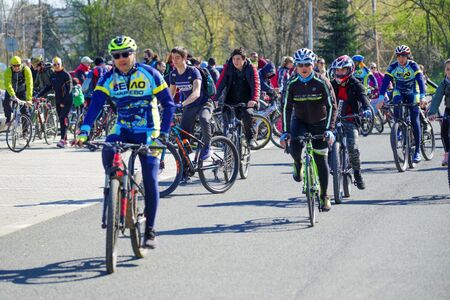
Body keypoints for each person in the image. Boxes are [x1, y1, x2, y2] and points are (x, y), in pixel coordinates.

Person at [76, 35, 175, 248]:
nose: (121, 58)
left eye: (125, 54)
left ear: (134, 54)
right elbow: (95, 105)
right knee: (107, 153)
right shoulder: (107, 78)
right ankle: (117, 188)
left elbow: (169, 105)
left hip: (149, 131)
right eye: (116, 55)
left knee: (150, 177)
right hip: (122, 128)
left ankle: (150, 230)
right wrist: (84, 130)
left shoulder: (150, 74)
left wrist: (164, 134)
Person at [280, 48, 337, 211]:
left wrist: (330, 129)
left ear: (312, 65)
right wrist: (285, 131)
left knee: (321, 160)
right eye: (300, 65)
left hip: (320, 122)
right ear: (295, 66)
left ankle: (324, 196)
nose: (303, 68)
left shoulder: (322, 82)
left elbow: (332, 106)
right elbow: (286, 108)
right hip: (300, 121)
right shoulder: (291, 83)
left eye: (307, 64)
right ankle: (298, 164)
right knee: (295, 148)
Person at [376, 45, 427, 163]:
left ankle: (418, 151)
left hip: (413, 91)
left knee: (414, 120)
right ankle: (398, 129)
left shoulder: (413, 65)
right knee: (396, 105)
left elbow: (420, 80)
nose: (401, 58)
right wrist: (381, 98)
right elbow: (385, 83)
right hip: (399, 90)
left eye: (403, 56)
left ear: (407, 56)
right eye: (399, 56)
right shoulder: (393, 66)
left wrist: (423, 97)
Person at [329, 55, 372, 189]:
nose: (340, 73)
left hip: (351, 119)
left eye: (343, 70)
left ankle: (357, 174)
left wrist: (366, 109)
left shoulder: (356, 83)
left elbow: (364, 98)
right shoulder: (331, 84)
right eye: (338, 70)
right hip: (333, 120)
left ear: (350, 70)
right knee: (326, 145)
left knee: (352, 147)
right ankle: (334, 165)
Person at [168, 47, 213, 167]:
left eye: (177, 57)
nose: (175, 60)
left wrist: (181, 104)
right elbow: (170, 94)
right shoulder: (173, 74)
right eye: (173, 58)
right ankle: (185, 168)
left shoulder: (193, 71)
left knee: (204, 119)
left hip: (204, 103)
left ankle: (208, 146)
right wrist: (162, 105)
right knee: (182, 136)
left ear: (184, 58)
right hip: (190, 106)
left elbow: (196, 93)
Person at [216, 47, 260, 149]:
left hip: (246, 100)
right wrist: (214, 98)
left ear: (244, 59)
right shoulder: (228, 67)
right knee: (227, 123)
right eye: (234, 59)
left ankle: (250, 139)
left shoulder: (251, 68)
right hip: (230, 100)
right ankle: (227, 148)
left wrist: (254, 99)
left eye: (238, 59)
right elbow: (220, 83)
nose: (236, 61)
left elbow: (256, 84)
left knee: (247, 115)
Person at [38, 57, 73, 148]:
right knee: (61, 120)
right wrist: (38, 95)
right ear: (52, 66)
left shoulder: (66, 75)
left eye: (58, 64)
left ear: (61, 64)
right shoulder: (53, 75)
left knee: (62, 117)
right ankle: (65, 140)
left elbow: (69, 90)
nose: (57, 66)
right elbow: (48, 87)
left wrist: (64, 102)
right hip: (58, 100)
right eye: (55, 64)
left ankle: (62, 140)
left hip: (67, 100)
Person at [427, 59, 450, 166]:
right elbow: (437, 98)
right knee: (444, 130)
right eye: (448, 69)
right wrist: (432, 112)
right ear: (445, 70)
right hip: (449, 109)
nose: (449, 71)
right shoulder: (444, 83)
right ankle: (447, 154)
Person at [3, 56, 33, 127]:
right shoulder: (8, 71)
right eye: (14, 66)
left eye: (18, 65)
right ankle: (8, 118)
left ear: (21, 64)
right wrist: (13, 96)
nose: (16, 67)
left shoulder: (26, 70)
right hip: (11, 91)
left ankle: (25, 131)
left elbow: (29, 84)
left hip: (22, 91)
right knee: (6, 102)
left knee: (24, 110)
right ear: (11, 65)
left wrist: (29, 99)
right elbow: (8, 84)